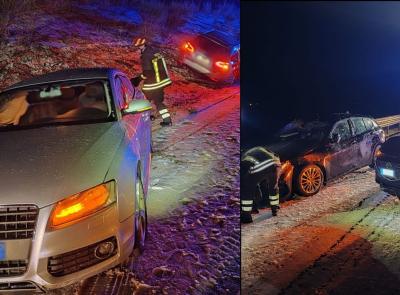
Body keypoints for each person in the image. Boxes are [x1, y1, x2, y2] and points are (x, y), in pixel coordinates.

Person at [132, 37, 172, 126]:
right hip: (161, 81)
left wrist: (138, 79)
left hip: (153, 83)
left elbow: (147, 72)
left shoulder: (146, 56)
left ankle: (166, 120)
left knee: (146, 100)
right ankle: (154, 116)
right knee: (154, 100)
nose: (138, 48)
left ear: (142, 45)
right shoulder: (155, 51)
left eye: (139, 46)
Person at [241, 146, 281, 223]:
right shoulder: (265, 151)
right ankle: (274, 209)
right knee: (273, 187)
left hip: (259, 166)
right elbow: (278, 166)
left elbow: (246, 177)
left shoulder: (244, 157)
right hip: (274, 165)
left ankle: (246, 217)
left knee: (247, 190)